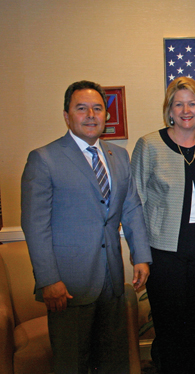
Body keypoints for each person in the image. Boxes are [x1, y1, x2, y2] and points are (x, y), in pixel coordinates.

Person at [21, 80, 152, 373]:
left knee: (113, 360)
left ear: (106, 115)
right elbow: (35, 226)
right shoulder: (43, 159)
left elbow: (131, 208)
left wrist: (141, 255)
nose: (91, 115)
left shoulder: (119, 156)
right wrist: (47, 280)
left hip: (112, 280)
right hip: (67, 285)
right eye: (81, 109)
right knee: (72, 364)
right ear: (67, 116)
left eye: (97, 108)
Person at [131, 77, 195, 373]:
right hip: (163, 249)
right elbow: (136, 201)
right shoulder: (149, 145)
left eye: (192, 103)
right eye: (178, 103)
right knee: (170, 327)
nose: (186, 110)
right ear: (169, 110)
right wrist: (140, 253)